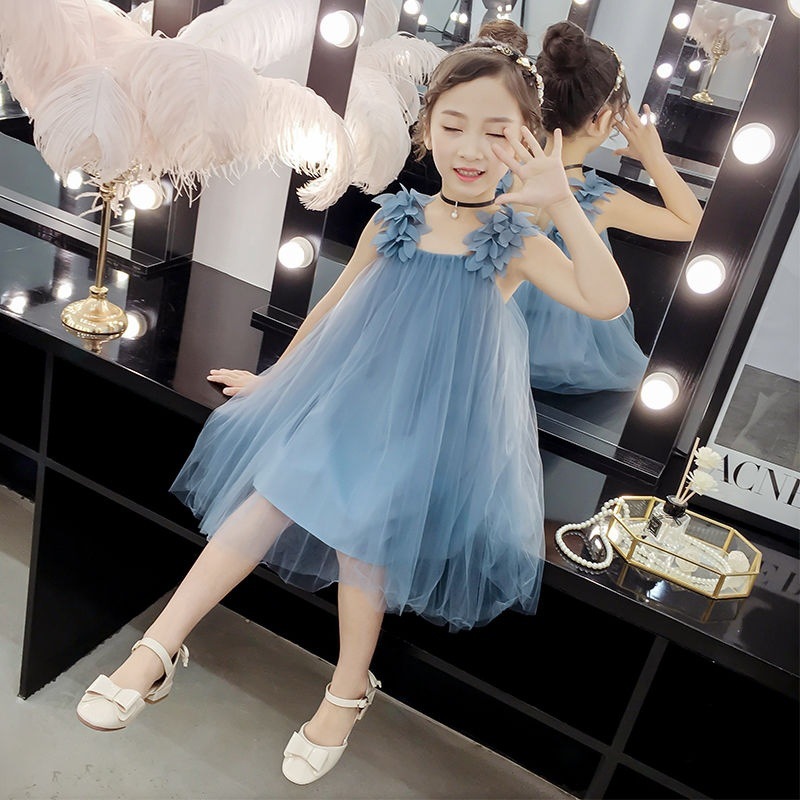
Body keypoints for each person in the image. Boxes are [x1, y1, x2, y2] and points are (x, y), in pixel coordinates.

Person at [75, 26, 629, 785]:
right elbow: (330, 308)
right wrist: (276, 379)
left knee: (361, 535)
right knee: (266, 499)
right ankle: (158, 648)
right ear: (426, 128)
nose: (470, 148)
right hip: (348, 405)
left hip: (429, 429)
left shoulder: (514, 240)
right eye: (453, 125)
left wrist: (561, 202)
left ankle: (347, 688)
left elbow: (605, 300)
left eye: (497, 132)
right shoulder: (395, 217)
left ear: (528, 139)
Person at [493, 19, 703, 394]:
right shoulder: (598, 199)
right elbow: (692, 224)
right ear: (603, 120)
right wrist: (654, 158)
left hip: (492, 340)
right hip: (563, 358)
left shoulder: (502, 170)